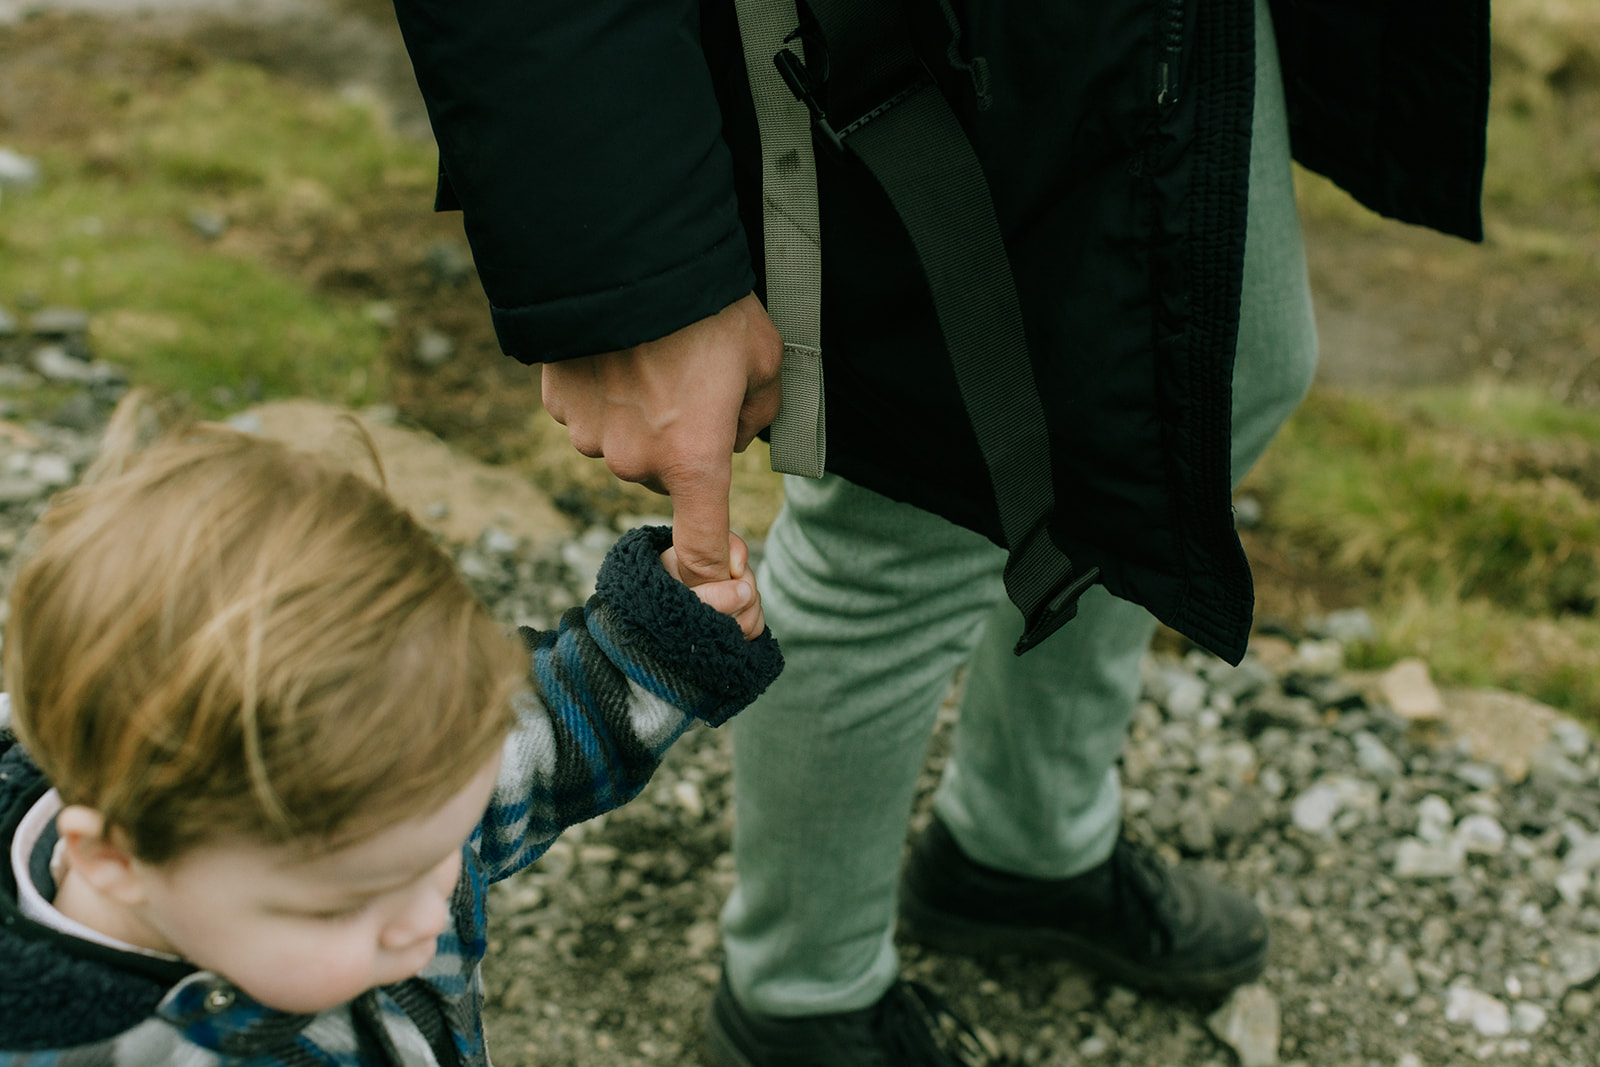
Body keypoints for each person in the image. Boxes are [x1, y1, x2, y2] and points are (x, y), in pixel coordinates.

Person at [388, 0, 1490, 1061]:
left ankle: (1024, 844)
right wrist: (626, 274)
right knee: (905, 514)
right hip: (907, 33)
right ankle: (800, 993)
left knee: (1213, 382)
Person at [0, 393, 782, 1064]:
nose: (424, 917)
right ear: (118, 857)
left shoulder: (391, 806)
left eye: (446, 844)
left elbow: (540, 740)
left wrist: (656, 643)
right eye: (351, 902)